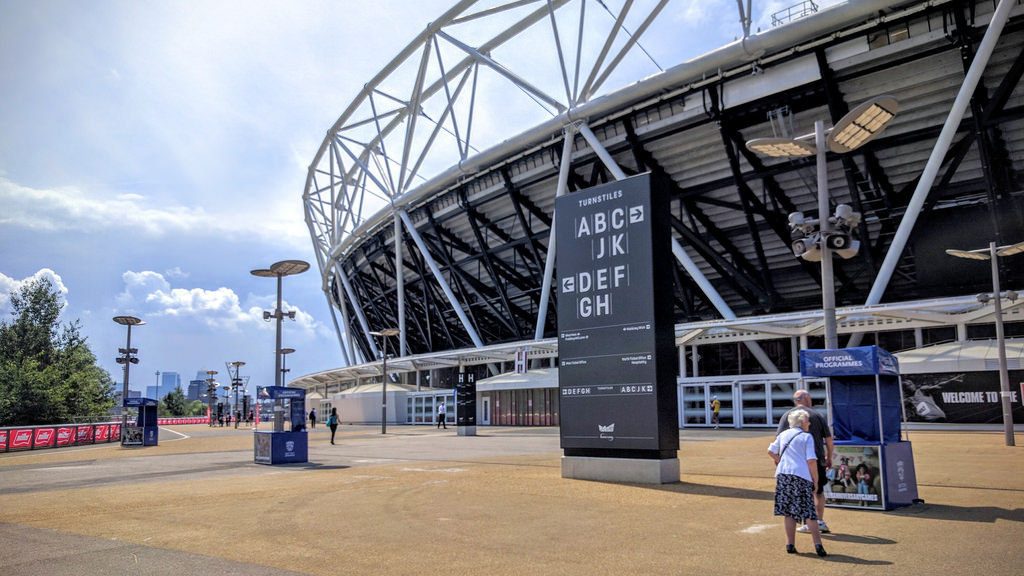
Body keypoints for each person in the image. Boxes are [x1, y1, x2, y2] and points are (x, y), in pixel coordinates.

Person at [768, 410, 827, 557]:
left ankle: (790, 544)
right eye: (807, 420)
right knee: (809, 511)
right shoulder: (807, 437)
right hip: (801, 475)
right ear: (801, 422)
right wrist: (816, 479)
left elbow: (770, 450)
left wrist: (780, 460)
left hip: (784, 475)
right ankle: (818, 545)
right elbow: (811, 461)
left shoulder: (783, 435)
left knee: (788, 512)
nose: (809, 423)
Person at [777, 389, 833, 534]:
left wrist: (779, 460)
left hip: (795, 463)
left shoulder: (786, 416)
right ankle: (819, 521)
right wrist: (829, 456)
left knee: (795, 493)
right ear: (807, 399)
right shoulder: (818, 415)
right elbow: (828, 439)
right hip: (817, 460)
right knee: (818, 492)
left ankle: (796, 521)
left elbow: (779, 440)